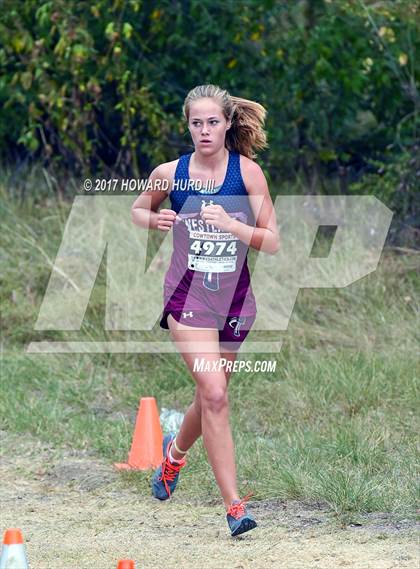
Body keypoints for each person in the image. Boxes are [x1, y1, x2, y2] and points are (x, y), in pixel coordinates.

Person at [131, 84, 280, 537]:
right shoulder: (170, 173)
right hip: (188, 298)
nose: (204, 130)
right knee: (215, 394)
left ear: (228, 123)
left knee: (207, 396)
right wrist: (152, 219)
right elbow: (138, 209)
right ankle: (234, 507)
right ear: (188, 125)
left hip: (234, 302)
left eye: (212, 121)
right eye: (196, 123)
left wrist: (233, 225)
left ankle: (173, 457)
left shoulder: (248, 174)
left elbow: (272, 241)